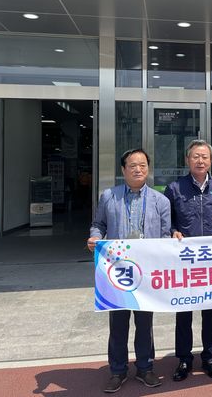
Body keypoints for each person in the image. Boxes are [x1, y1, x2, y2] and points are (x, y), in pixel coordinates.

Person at [87, 148, 171, 393]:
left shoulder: (160, 201)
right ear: (123, 170)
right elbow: (98, 224)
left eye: (143, 165)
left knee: (145, 323)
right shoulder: (108, 197)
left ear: (148, 169)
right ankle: (117, 370)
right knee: (118, 323)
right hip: (117, 271)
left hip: (146, 273)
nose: (138, 169)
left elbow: (165, 236)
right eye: (132, 165)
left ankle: (145, 367)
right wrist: (95, 237)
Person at [164, 140, 212, 382]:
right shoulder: (175, 188)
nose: (200, 161)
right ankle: (184, 359)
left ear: (211, 161)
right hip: (185, 261)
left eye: (204, 157)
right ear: (187, 160)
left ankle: (210, 358)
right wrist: (173, 231)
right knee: (184, 311)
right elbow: (167, 220)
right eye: (195, 156)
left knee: (211, 311)